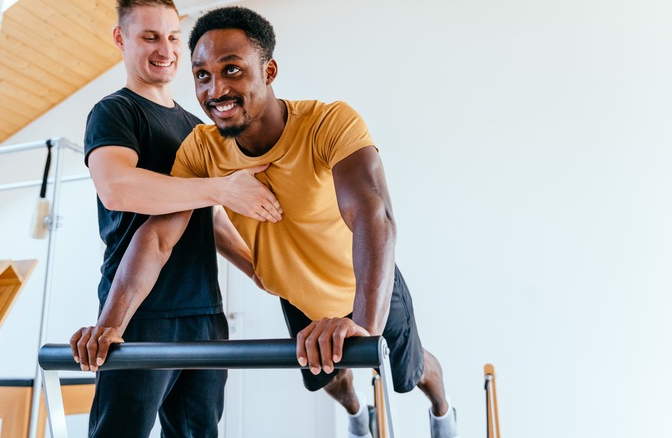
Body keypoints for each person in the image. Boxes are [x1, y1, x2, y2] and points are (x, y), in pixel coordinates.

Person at [77, 5, 459, 438]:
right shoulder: (200, 148)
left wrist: (363, 327)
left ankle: (444, 410)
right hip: (298, 297)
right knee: (329, 378)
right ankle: (356, 415)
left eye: (232, 70)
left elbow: (374, 216)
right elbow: (157, 237)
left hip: (364, 282)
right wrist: (108, 326)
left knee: (409, 374)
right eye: (202, 75)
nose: (216, 88)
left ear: (269, 70)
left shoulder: (327, 123)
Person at [69, 1, 282, 437]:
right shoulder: (115, 112)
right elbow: (117, 187)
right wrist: (221, 188)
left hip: (205, 312)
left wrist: (260, 271)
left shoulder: (196, 125)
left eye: (171, 37)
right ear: (120, 39)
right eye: (149, 37)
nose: (164, 49)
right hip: (141, 312)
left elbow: (207, 217)